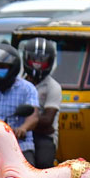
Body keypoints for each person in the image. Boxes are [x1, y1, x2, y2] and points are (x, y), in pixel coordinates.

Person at [0, 43, 40, 166]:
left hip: (20, 147)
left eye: (2, 67)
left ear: (14, 68)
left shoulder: (27, 89)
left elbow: (33, 116)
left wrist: (23, 128)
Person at [20, 38, 62, 169]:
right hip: (19, 133)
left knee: (44, 164)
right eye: (34, 59)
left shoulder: (53, 86)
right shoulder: (19, 83)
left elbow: (48, 122)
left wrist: (24, 122)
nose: (37, 64)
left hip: (44, 136)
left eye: (42, 61)